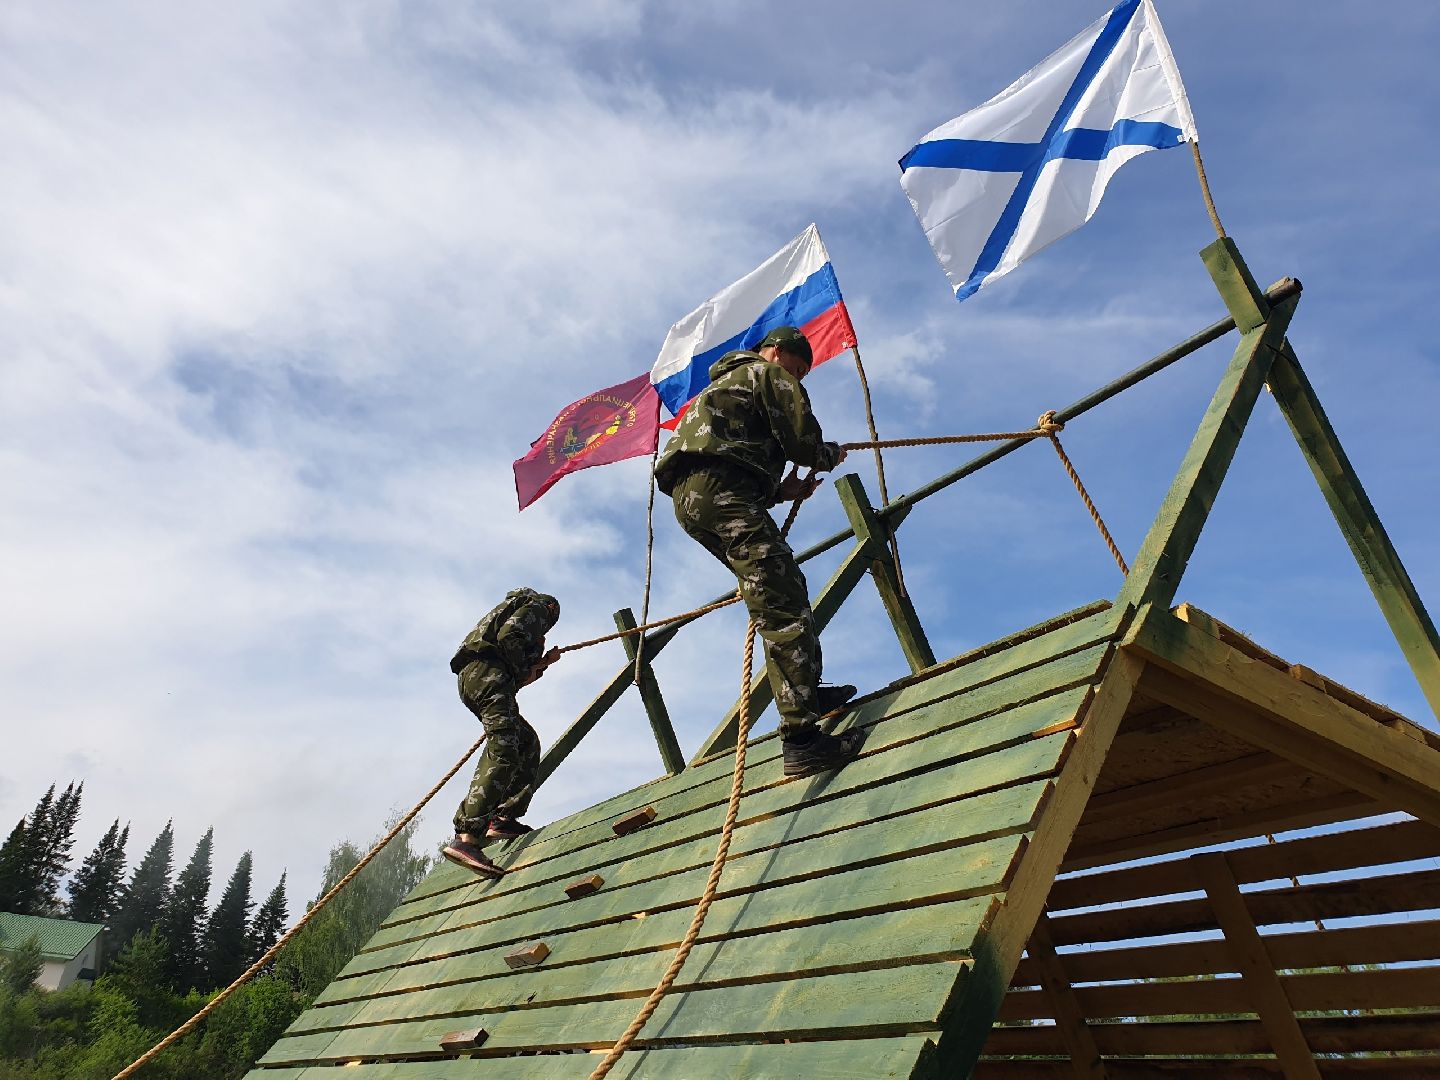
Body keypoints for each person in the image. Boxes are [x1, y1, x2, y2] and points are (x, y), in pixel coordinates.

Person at [654, 325, 864, 778]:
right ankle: (802, 740)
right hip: (723, 492)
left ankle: (804, 690)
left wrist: (778, 491)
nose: (799, 379)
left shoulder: (722, 386)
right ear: (776, 352)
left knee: (775, 588)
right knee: (783, 599)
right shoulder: (766, 374)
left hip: (696, 500)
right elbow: (803, 441)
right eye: (799, 368)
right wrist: (828, 454)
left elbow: (725, 458)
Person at [442, 587, 561, 879]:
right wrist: (528, 661)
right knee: (504, 748)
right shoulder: (536, 607)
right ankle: (467, 838)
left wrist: (541, 664)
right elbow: (511, 637)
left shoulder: (506, 611)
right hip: (487, 675)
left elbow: (517, 670)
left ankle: (504, 817)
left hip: (479, 678)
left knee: (525, 741)